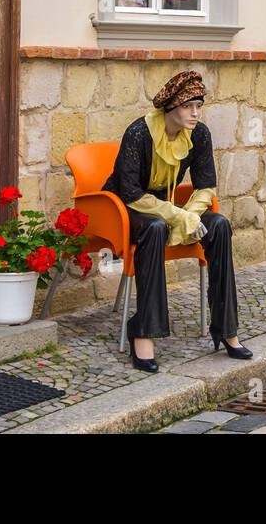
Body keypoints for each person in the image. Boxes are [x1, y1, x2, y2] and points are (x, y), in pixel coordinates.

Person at [102, 70, 251, 372]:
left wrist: (191, 216)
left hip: (166, 205)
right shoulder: (139, 133)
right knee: (155, 227)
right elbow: (129, 191)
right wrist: (176, 215)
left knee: (218, 224)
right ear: (170, 107)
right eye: (188, 106)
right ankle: (143, 332)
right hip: (126, 205)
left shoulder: (199, 134)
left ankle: (226, 329)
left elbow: (206, 185)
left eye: (199, 105)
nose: (195, 113)